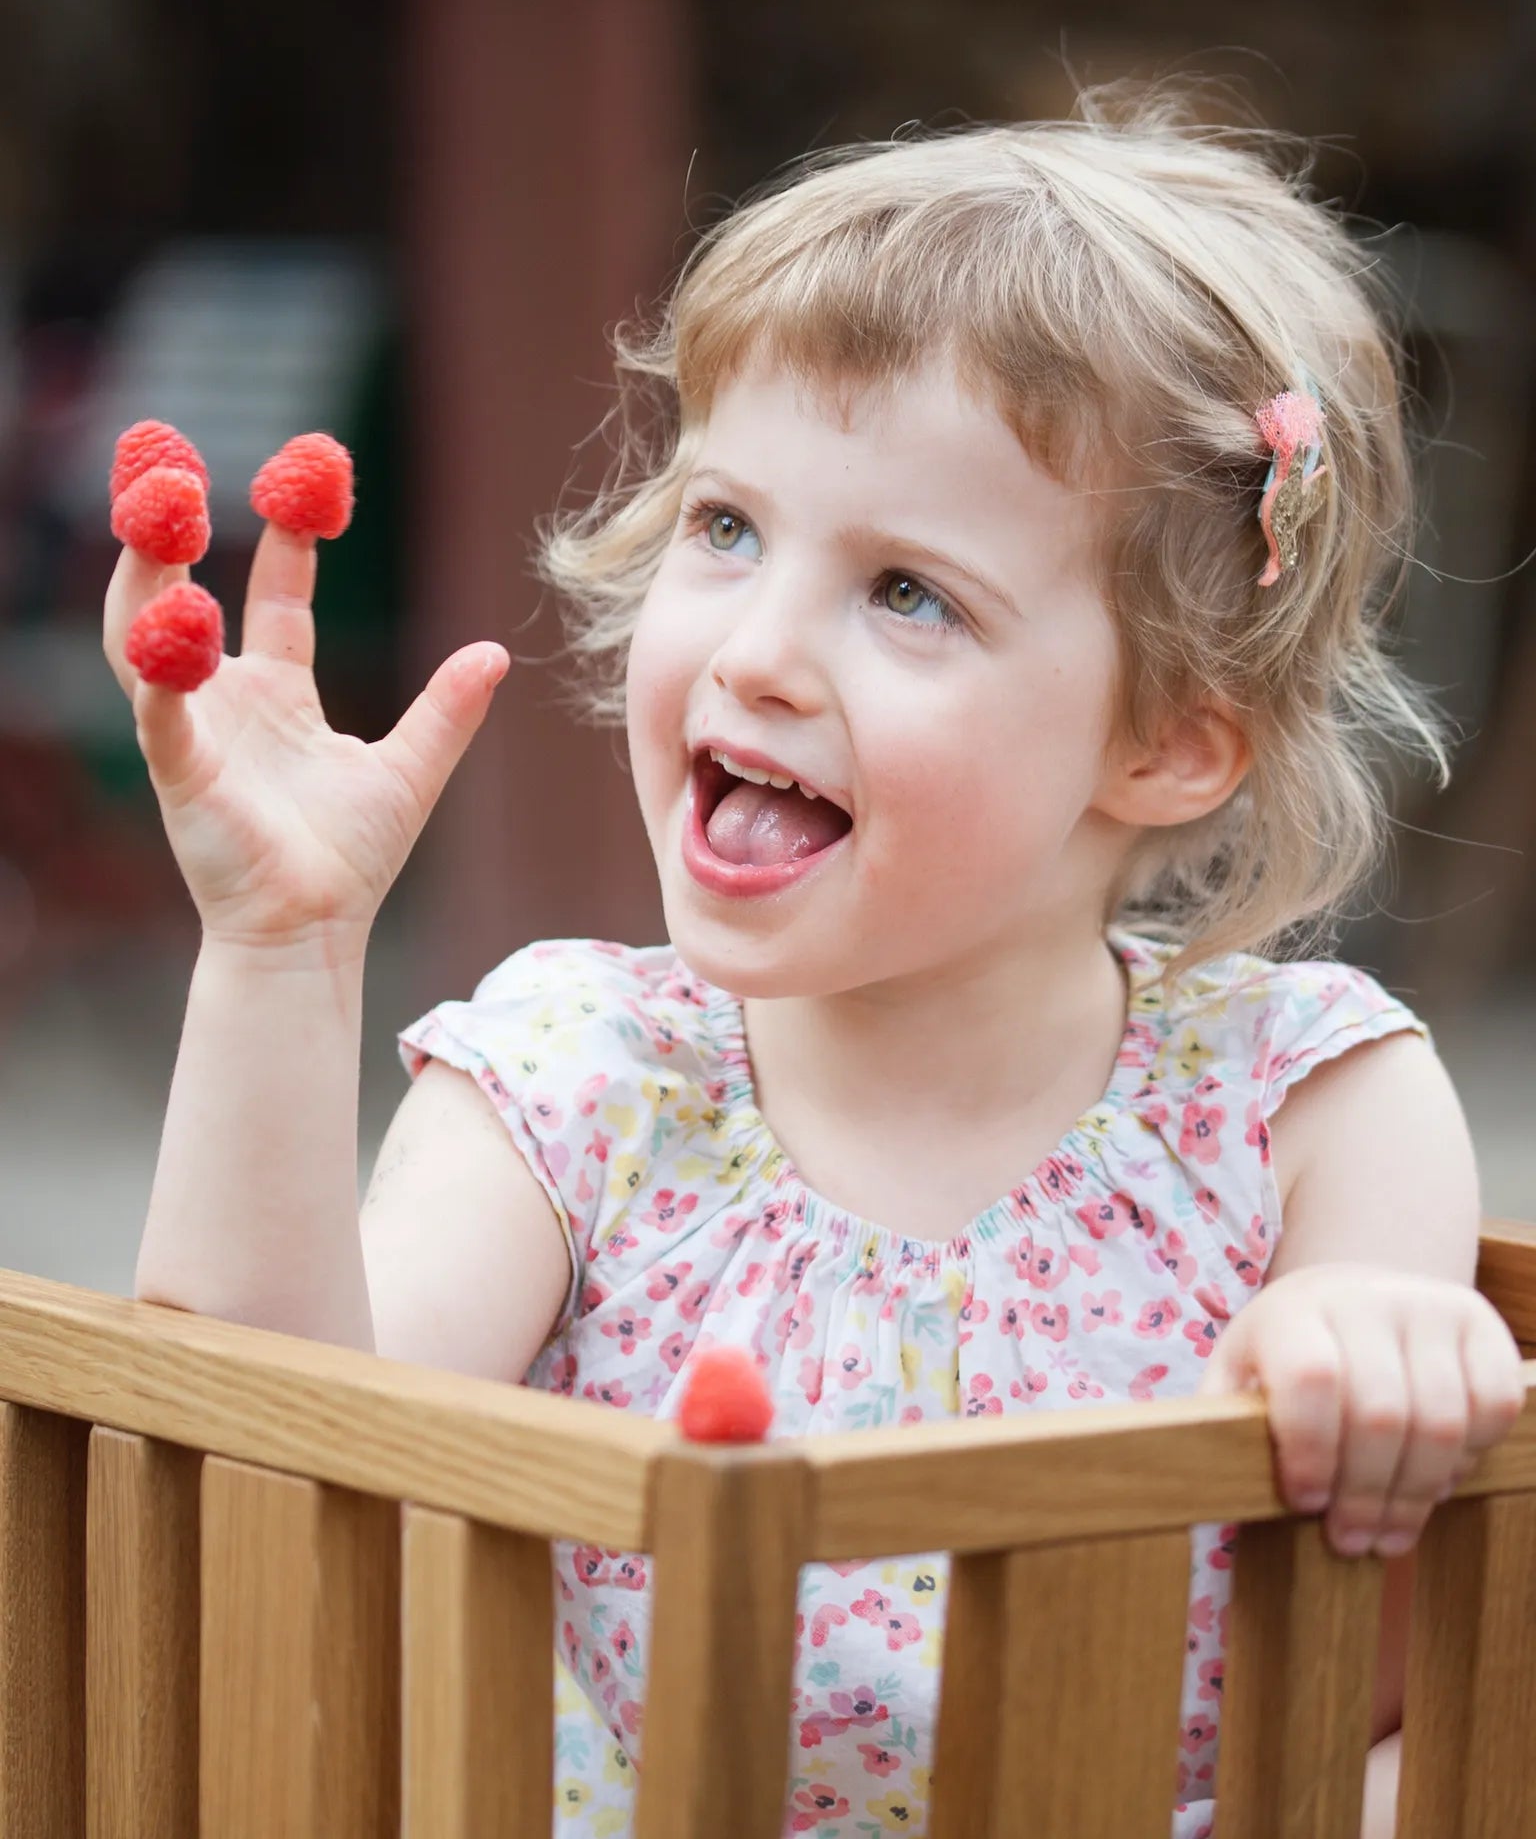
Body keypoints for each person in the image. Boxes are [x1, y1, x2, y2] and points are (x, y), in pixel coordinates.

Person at [106, 88, 1527, 1839]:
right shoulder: (580, 1087)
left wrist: (1376, 1339)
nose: (759, 650)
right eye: (727, 527)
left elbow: (1404, 1683)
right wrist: (280, 953)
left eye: (910, 592)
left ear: (1168, 737)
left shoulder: (1310, 1099)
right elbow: (276, 1466)